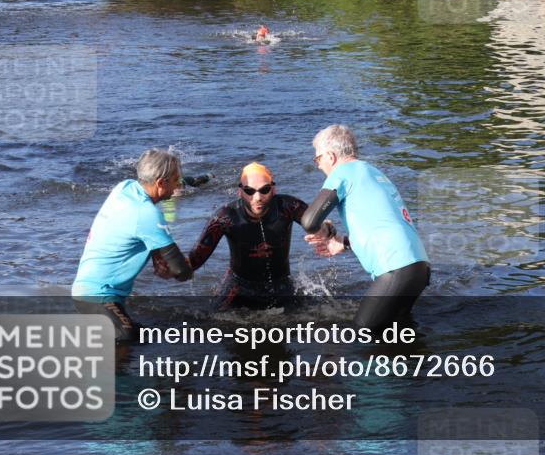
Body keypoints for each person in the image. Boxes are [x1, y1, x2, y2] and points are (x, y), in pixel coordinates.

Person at [302, 125, 430, 331]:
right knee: (398, 336)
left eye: (318, 159)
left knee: (364, 334)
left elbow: (309, 221)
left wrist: (324, 229)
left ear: (331, 156)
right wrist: (342, 243)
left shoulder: (342, 173)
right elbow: (382, 226)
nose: (318, 165)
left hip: (396, 269)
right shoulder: (372, 172)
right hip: (419, 268)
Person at [72, 149, 193, 342]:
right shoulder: (146, 214)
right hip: (98, 296)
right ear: (161, 183)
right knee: (125, 338)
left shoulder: (125, 187)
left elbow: (133, 229)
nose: (178, 186)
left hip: (86, 291)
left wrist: (156, 254)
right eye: (176, 180)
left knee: (146, 337)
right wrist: (179, 269)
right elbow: (182, 272)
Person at [178, 162, 329, 310]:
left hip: (281, 284)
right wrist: (172, 262)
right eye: (249, 191)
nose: (257, 197)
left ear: (273, 189)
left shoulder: (288, 206)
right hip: (239, 287)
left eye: (265, 190)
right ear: (240, 191)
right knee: (211, 320)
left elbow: (317, 223)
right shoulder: (226, 216)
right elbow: (195, 260)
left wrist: (327, 230)